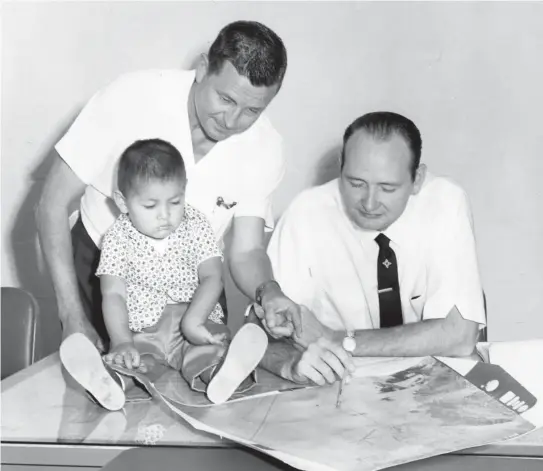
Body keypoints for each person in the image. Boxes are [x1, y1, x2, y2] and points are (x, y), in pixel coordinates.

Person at [36, 20, 302, 355]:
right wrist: (72, 314)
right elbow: (51, 204)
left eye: (252, 110)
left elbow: (246, 251)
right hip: (105, 271)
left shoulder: (265, 146)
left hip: (194, 282)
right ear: (203, 68)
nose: (232, 122)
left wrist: (269, 290)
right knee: (109, 388)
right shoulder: (131, 96)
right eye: (225, 99)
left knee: (202, 380)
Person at [253, 111, 486, 386]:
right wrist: (290, 365)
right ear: (341, 165)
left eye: (387, 188)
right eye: (356, 183)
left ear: (418, 178)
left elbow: (458, 336)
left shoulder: (446, 202)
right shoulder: (306, 213)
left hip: (433, 385)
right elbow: (257, 337)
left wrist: (337, 339)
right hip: (343, 389)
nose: (369, 203)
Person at [60, 138, 268, 409]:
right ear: (123, 202)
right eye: (150, 206)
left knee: (208, 351)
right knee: (134, 361)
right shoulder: (115, 238)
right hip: (142, 328)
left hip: (195, 317)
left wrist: (193, 321)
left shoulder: (196, 224)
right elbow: (113, 294)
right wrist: (122, 341)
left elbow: (212, 276)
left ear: (184, 191)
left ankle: (222, 374)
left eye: (175, 201)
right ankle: (111, 383)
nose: (165, 216)